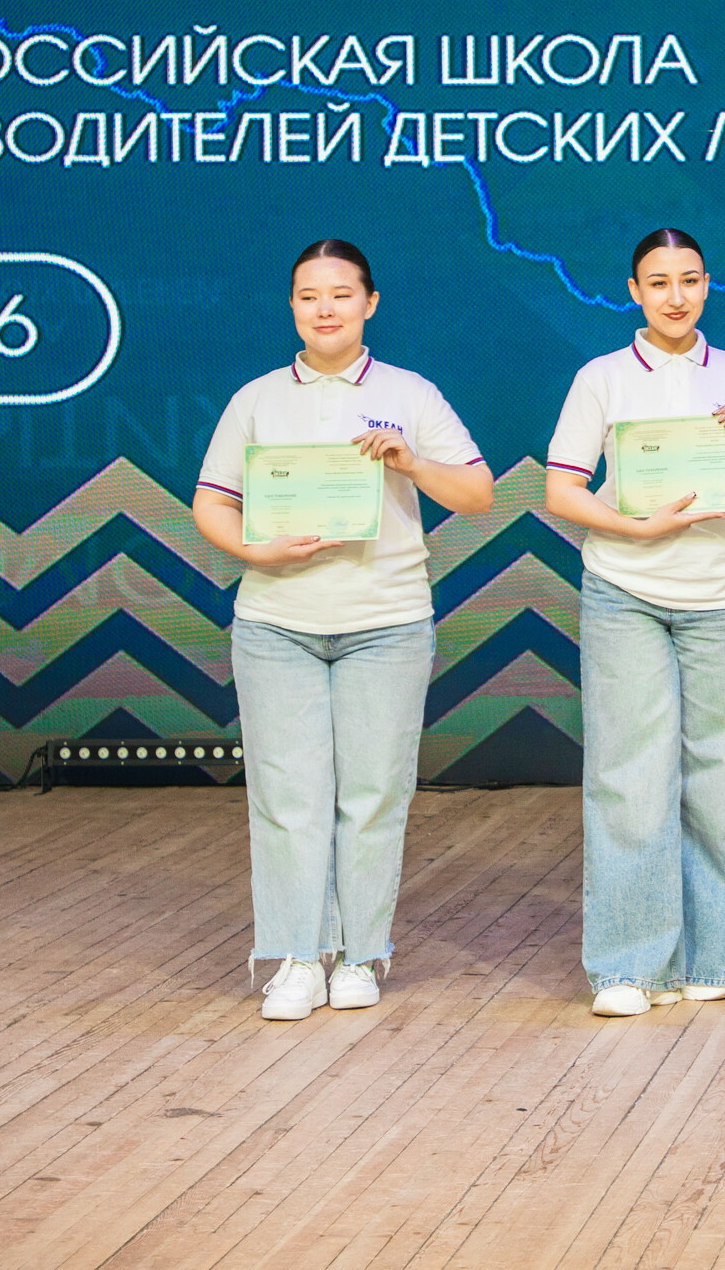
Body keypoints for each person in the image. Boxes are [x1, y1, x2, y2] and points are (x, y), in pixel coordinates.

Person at [192, 239, 498, 1022]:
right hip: (277, 623)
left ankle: (361, 955)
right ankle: (298, 957)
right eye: (308, 296)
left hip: (385, 623)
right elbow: (211, 502)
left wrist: (410, 462)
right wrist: (256, 551)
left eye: (340, 294)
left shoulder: (409, 393)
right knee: (287, 798)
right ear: (292, 306)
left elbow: (477, 493)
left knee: (372, 795)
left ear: (370, 303)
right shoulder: (257, 398)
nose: (324, 309)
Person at [547, 227, 725, 1017]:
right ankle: (628, 966)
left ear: (707, 284)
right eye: (658, 283)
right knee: (629, 777)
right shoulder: (602, 377)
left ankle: (706, 954)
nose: (676, 296)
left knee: (718, 778)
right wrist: (637, 527)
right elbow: (562, 489)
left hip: (722, 595)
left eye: (689, 280)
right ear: (634, 291)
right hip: (625, 589)